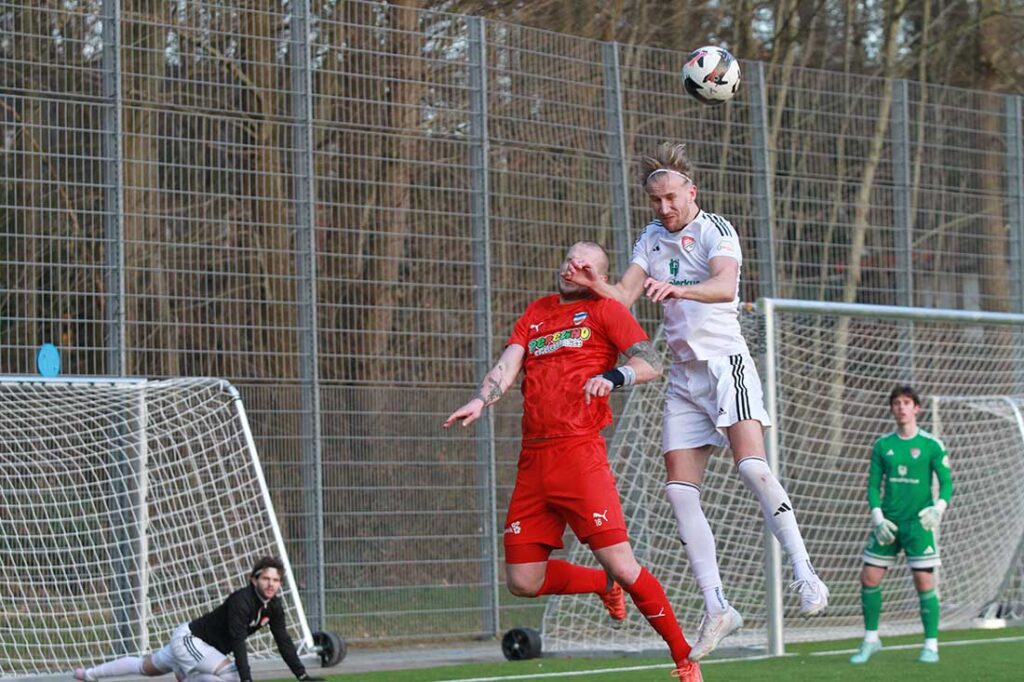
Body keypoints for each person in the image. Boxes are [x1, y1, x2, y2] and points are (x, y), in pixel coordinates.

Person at [565, 142, 829, 661]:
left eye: (670, 198)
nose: (663, 208)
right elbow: (624, 296)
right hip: (685, 378)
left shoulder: (715, 229)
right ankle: (717, 607)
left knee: (753, 467)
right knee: (680, 494)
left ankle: (805, 571)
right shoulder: (649, 238)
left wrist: (681, 291)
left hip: (725, 362)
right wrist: (594, 283)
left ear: (691, 192)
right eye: (655, 201)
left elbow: (725, 285)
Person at [444, 241, 702, 681]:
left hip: (580, 455)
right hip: (534, 461)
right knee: (523, 582)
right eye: (568, 261)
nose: (572, 270)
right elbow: (507, 366)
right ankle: (601, 584)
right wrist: (481, 400)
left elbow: (652, 362)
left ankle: (683, 658)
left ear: (598, 275)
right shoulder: (537, 311)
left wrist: (612, 376)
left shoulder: (606, 311)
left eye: (585, 266)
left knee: (624, 564)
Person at [74, 557, 323, 682]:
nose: (271, 584)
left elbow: (283, 640)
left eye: (276, 580)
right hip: (190, 640)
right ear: (253, 579)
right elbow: (238, 641)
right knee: (232, 676)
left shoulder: (275, 606)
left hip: (201, 650)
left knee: (145, 668)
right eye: (266, 579)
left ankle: (88, 674)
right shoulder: (241, 601)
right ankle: (187, 675)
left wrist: (302, 676)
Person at [850, 385, 954, 665]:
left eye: (907, 402)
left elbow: (946, 483)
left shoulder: (932, 444)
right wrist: (878, 518)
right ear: (892, 408)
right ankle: (871, 640)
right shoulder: (883, 445)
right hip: (888, 524)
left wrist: (938, 508)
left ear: (916, 408)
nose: (902, 407)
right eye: (897, 403)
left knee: (924, 583)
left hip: (919, 525)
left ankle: (931, 645)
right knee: (869, 578)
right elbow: (873, 485)